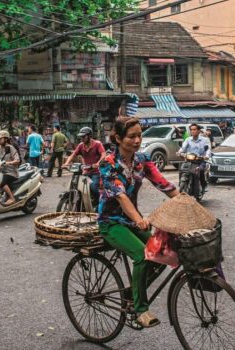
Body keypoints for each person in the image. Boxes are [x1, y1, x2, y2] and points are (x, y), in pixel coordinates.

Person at [99, 118, 179, 328]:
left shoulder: (142, 160)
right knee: (142, 255)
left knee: (163, 254)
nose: (137, 140)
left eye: (139, 135)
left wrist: (187, 203)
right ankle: (140, 309)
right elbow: (121, 196)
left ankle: (133, 291)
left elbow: (164, 184)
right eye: (131, 136)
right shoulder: (108, 163)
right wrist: (139, 219)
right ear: (118, 138)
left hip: (132, 222)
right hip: (111, 222)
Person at [62, 127, 106, 205]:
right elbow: (73, 155)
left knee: (93, 187)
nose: (81, 138)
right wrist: (66, 163)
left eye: (83, 136)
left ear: (89, 136)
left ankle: (99, 203)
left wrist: (98, 163)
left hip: (96, 172)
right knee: (77, 186)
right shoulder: (81, 145)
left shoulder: (97, 144)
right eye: (81, 137)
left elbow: (103, 154)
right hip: (85, 171)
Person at [178, 123, 211, 193]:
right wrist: (179, 152)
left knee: (200, 170)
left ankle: (203, 185)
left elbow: (208, 149)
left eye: (194, 129)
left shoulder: (205, 140)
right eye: (191, 130)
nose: (192, 131)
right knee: (182, 169)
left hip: (200, 160)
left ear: (199, 131)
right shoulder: (188, 139)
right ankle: (182, 183)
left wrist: (207, 156)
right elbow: (183, 148)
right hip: (189, 160)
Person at [0, 130, 20, 205]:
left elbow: (17, 160)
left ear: (6, 139)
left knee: (1, 181)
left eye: (0, 139)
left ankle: (12, 198)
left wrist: (8, 163)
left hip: (11, 172)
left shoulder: (10, 148)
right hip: (0, 172)